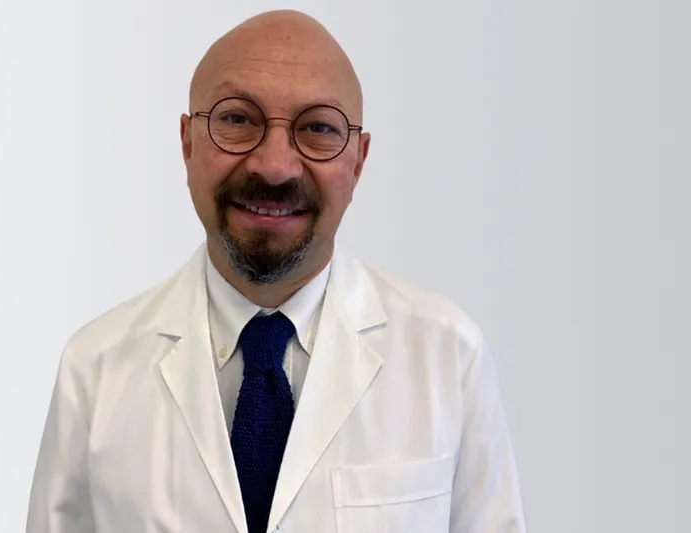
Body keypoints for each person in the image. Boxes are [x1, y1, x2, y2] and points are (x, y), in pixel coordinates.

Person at [26, 9, 527, 533]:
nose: (274, 166)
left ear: (358, 161)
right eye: (238, 120)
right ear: (187, 142)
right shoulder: (95, 368)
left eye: (318, 128)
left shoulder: (447, 355)